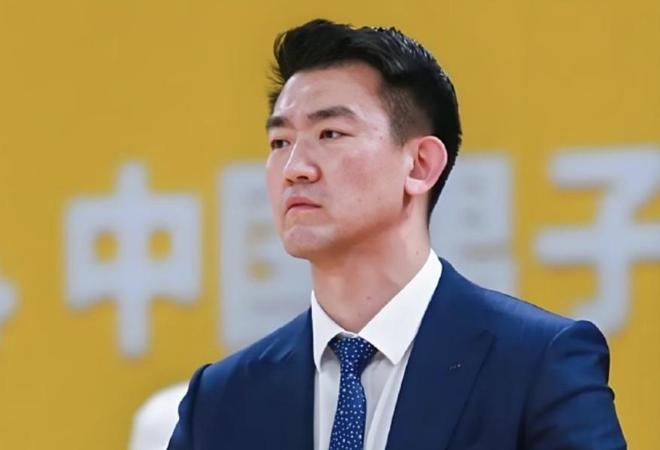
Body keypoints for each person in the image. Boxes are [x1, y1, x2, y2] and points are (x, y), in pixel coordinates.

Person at [168, 19, 626, 449]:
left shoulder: (536, 363)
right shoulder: (221, 399)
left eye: (330, 134)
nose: (294, 169)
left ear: (420, 165)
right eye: (280, 142)